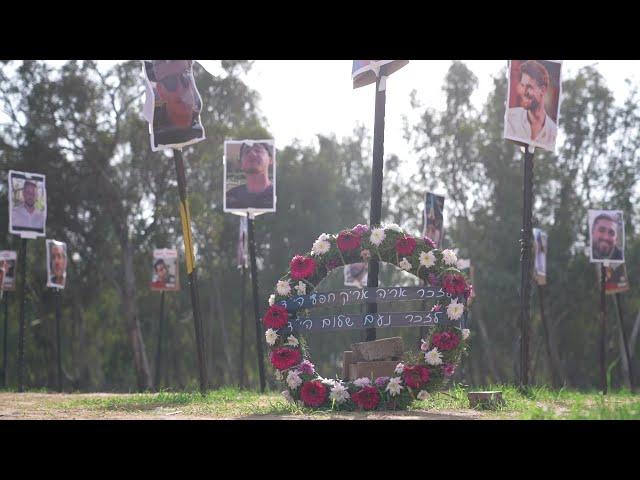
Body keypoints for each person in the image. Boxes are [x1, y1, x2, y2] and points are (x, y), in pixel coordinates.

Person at [506, 60, 557, 150]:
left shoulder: (552, 131)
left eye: (529, 87)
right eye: (522, 85)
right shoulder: (510, 118)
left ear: (543, 90)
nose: (524, 92)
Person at [226, 142, 274, 209]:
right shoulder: (230, 197)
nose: (251, 154)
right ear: (241, 164)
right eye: (247, 151)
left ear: (271, 159)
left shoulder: (278, 194)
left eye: (258, 150)